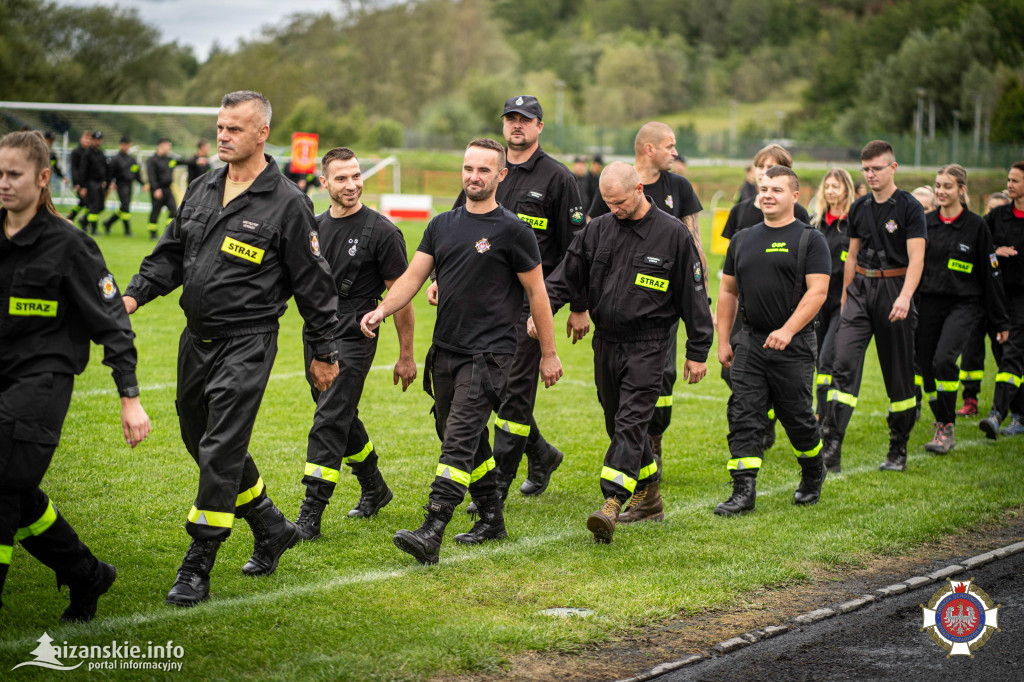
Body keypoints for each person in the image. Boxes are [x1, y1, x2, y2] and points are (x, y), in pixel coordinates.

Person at [123, 91, 341, 605]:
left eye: (234, 128)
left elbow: (315, 284)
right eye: (220, 127)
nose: (223, 136)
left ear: (262, 133)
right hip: (194, 340)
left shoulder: (288, 202)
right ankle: (270, 524)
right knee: (201, 440)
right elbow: (171, 255)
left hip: (248, 342)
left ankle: (198, 562)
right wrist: (133, 295)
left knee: (220, 447)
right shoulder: (201, 187)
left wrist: (324, 350)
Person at [361, 138, 562, 565]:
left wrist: (548, 352)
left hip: (490, 357)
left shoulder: (514, 231)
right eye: (469, 168)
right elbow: (413, 278)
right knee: (465, 440)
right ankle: (491, 518)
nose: (474, 176)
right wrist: (381, 310)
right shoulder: (442, 224)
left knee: (457, 441)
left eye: (484, 170)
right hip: (446, 351)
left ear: (500, 176)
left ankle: (433, 528)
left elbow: (538, 294)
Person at [0, 130, 150, 622]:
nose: (3, 183)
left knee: (2, 487)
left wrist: (130, 396)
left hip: (42, 381)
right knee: (19, 495)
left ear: (43, 178)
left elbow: (113, 323)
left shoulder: (70, 245)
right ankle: (87, 574)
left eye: (14, 174)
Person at [536, 162, 712, 539]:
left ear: (638, 188)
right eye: (607, 202)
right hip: (606, 343)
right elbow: (565, 277)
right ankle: (650, 501)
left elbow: (694, 298)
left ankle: (613, 503)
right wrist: (543, 311)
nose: (613, 209)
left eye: (619, 202)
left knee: (631, 423)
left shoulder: (673, 234)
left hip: (650, 345)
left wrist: (698, 350)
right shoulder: (597, 229)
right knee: (618, 423)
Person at [428, 95, 584, 506]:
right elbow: (455, 231)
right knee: (493, 392)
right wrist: (440, 278)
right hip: (482, 305)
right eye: (511, 119)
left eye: (525, 120)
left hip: (528, 309)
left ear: (539, 127)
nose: (517, 125)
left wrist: (575, 305)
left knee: (513, 393)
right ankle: (542, 454)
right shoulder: (487, 170)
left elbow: (576, 250)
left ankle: (497, 484)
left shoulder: (558, 179)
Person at [293, 147, 416, 540]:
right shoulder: (313, 226)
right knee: (339, 413)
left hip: (357, 333)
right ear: (324, 182)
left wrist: (406, 355)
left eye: (356, 176)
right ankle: (375, 486)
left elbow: (401, 298)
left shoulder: (382, 231)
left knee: (329, 418)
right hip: (316, 332)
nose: (352, 185)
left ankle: (310, 513)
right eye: (341, 178)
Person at [588, 122, 707, 482]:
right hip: (621, 305)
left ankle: (652, 441)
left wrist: (702, 298)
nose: (675, 152)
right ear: (649, 149)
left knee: (662, 378)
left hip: (662, 305)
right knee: (619, 394)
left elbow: (694, 241)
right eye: (670, 146)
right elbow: (593, 240)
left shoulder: (678, 187)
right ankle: (642, 454)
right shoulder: (615, 183)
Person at [715, 165, 830, 515]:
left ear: (795, 196)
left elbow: (818, 292)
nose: (767, 195)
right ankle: (743, 490)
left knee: (797, 417)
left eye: (776, 190)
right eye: (763, 188)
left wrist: (788, 330)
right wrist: (723, 341)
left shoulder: (810, 239)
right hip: (751, 341)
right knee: (743, 413)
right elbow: (728, 292)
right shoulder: (742, 239)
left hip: (794, 345)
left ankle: (813, 473)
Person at [821, 140, 927, 472]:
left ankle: (898, 449)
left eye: (876, 169)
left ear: (892, 168)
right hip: (859, 292)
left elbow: (917, 257)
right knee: (843, 365)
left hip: (895, 289)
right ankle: (831, 447)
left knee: (899, 376)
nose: (870, 175)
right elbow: (851, 255)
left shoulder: (909, 207)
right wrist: (845, 300)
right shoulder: (860, 206)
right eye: (865, 170)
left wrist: (906, 297)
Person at [719, 144, 810, 450]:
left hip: (781, 308)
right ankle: (758, 413)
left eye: (771, 166)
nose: (763, 171)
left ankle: (763, 417)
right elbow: (729, 269)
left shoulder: (797, 216)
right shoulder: (741, 210)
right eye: (760, 167)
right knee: (731, 371)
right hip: (745, 307)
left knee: (779, 380)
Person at [915, 164, 1008, 453]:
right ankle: (941, 419)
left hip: (964, 304)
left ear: (962, 190)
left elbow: (991, 275)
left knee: (944, 361)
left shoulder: (976, 226)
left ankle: (946, 426)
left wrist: (1000, 321)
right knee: (926, 367)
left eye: (948, 186)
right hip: (927, 303)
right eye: (938, 186)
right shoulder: (925, 222)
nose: (941, 191)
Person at [979, 162, 1024, 438]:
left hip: (1022, 300)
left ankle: (997, 414)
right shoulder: (997, 216)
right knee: (1003, 356)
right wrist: (996, 250)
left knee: (1013, 355)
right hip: (998, 298)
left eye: (1015, 181)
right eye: (1008, 179)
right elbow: (978, 244)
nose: (1009, 184)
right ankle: (1019, 415)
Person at [957, 191, 1012, 416]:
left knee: (1005, 353)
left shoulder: (1012, 236)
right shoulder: (976, 232)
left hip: (1002, 305)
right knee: (971, 352)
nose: (992, 216)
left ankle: (1010, 400)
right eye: (990, 210)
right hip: (976, 303)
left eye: (998, 210)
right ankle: (970, 399)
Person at [809, 169, 857, 424]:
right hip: (817, 301)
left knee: (828, 356)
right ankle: (821, 411)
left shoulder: (853, 223)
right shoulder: (815, 221)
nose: (830, 191)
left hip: (843, 301)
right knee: (817, 358)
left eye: (835, 186)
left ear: (846, 190)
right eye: (826, 186)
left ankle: (823, 413)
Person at [103, 136, 146, 236]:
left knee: (124, 207)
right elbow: (110, 175)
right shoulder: (115, 159)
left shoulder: (132, 160)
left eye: (128, 145)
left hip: (129, 185)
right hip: (121, 185)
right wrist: (108, 186)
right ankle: (127, 230)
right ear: (120, 145)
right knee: (125, 206)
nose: (126, 147)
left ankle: (108, 223)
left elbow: (136, 174)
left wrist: (143, 184)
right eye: (124, 144)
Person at [145, 138, 178, 240]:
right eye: (168, 146)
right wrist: (156, 189)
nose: (169, 148)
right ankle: (153, 233)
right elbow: (151, 176)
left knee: (174, 210)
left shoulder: (170, 160)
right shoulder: (152, 160)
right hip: (158, 189)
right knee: (156, 211)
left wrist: (196, 160)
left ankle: (168, 231)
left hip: (168, 189)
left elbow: (182, 161)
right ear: (161, 146)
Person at [77, 131, 107, 235]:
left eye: (100, 140)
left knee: (101, 206)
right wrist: (83, 186)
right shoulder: (87, 154)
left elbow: (104, 168)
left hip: (99, 183)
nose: (98, 142)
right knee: (94, 206)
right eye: (96, 140)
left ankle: (84, 220)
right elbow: (82, 171)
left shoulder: (101, 153)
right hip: (91, 183)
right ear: (92, 140)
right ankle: (94, 229)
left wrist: (105, 181)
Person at [66, 130, 91, 222]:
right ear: (81, 139)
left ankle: (72, 217)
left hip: (89, 182)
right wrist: (76, 183)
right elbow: (74, 169)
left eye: (89, 140)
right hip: (80, 182)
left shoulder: (90, 152)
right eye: (86, 139)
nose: (87, 141)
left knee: (85, 202)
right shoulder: (76, 152)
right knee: (85, 202)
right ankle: (81, 220)